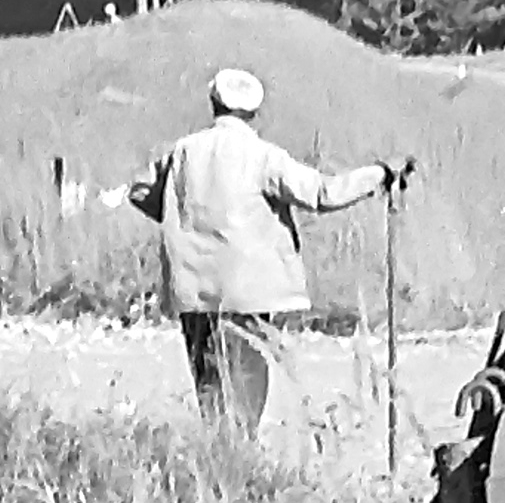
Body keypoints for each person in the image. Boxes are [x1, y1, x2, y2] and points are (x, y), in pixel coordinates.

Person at [118, 66, 407, 431]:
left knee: (211, 392)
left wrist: (182, 218)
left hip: (193, 292)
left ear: (213, 104)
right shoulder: (263, 157)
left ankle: (217, 466)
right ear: (254, 113)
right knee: (244, 401)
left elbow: (140, 191)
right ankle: (239, 468)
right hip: (247, 296)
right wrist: (379, 174)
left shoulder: (183, 152)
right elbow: (322, 194)